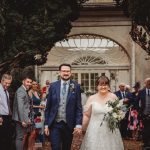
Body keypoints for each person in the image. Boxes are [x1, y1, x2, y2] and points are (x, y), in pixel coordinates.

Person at [44, 63, 83, 150]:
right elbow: (48, 107)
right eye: (64, 71)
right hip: (55, 124)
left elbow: (78, 108)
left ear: (71, 72)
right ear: (59, 72)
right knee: (55, 147)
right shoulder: (53, 86)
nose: (66, 73)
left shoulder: (76, 86)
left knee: (66, 147)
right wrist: (46, 124)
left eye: (68, 71)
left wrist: (78, 124)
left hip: (69, 124)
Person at [80, 76, 124, 150]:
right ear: (97, 86)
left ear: (108, 86)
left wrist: (118, 117)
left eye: (105, 85)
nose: (103, 87)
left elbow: (119, 112)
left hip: (110, 130)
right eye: (101, 85)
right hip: (94, 130)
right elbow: (87, 115)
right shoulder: (91, 98)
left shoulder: (113, 97)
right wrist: (83, 128)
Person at [12, 76, 33, 150]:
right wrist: (22, 120)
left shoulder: (24, 90)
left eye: (30, 82)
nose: (29, 84)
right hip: (20, 119)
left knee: (22, 137)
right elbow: (20, 107)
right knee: (20, 138)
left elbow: (25, 106)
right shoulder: (21, 91)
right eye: (27, 82)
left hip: (23, 118)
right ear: (23, 81)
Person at [0, 74, 13, 150]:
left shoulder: (6, 91)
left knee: (7, 139)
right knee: (2, 140)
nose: (7, 85)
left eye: (9, 83)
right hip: (1, 118)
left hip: (7, 118)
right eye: (6, 83)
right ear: (1, 81)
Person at [138, 78, 150, 148]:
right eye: (148, 82)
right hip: (144, 114)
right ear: (145, 84)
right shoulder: (141, 92)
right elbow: (136, 101)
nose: (149, 84)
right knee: (145, 129)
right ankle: (145, 143)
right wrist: (139, 111)